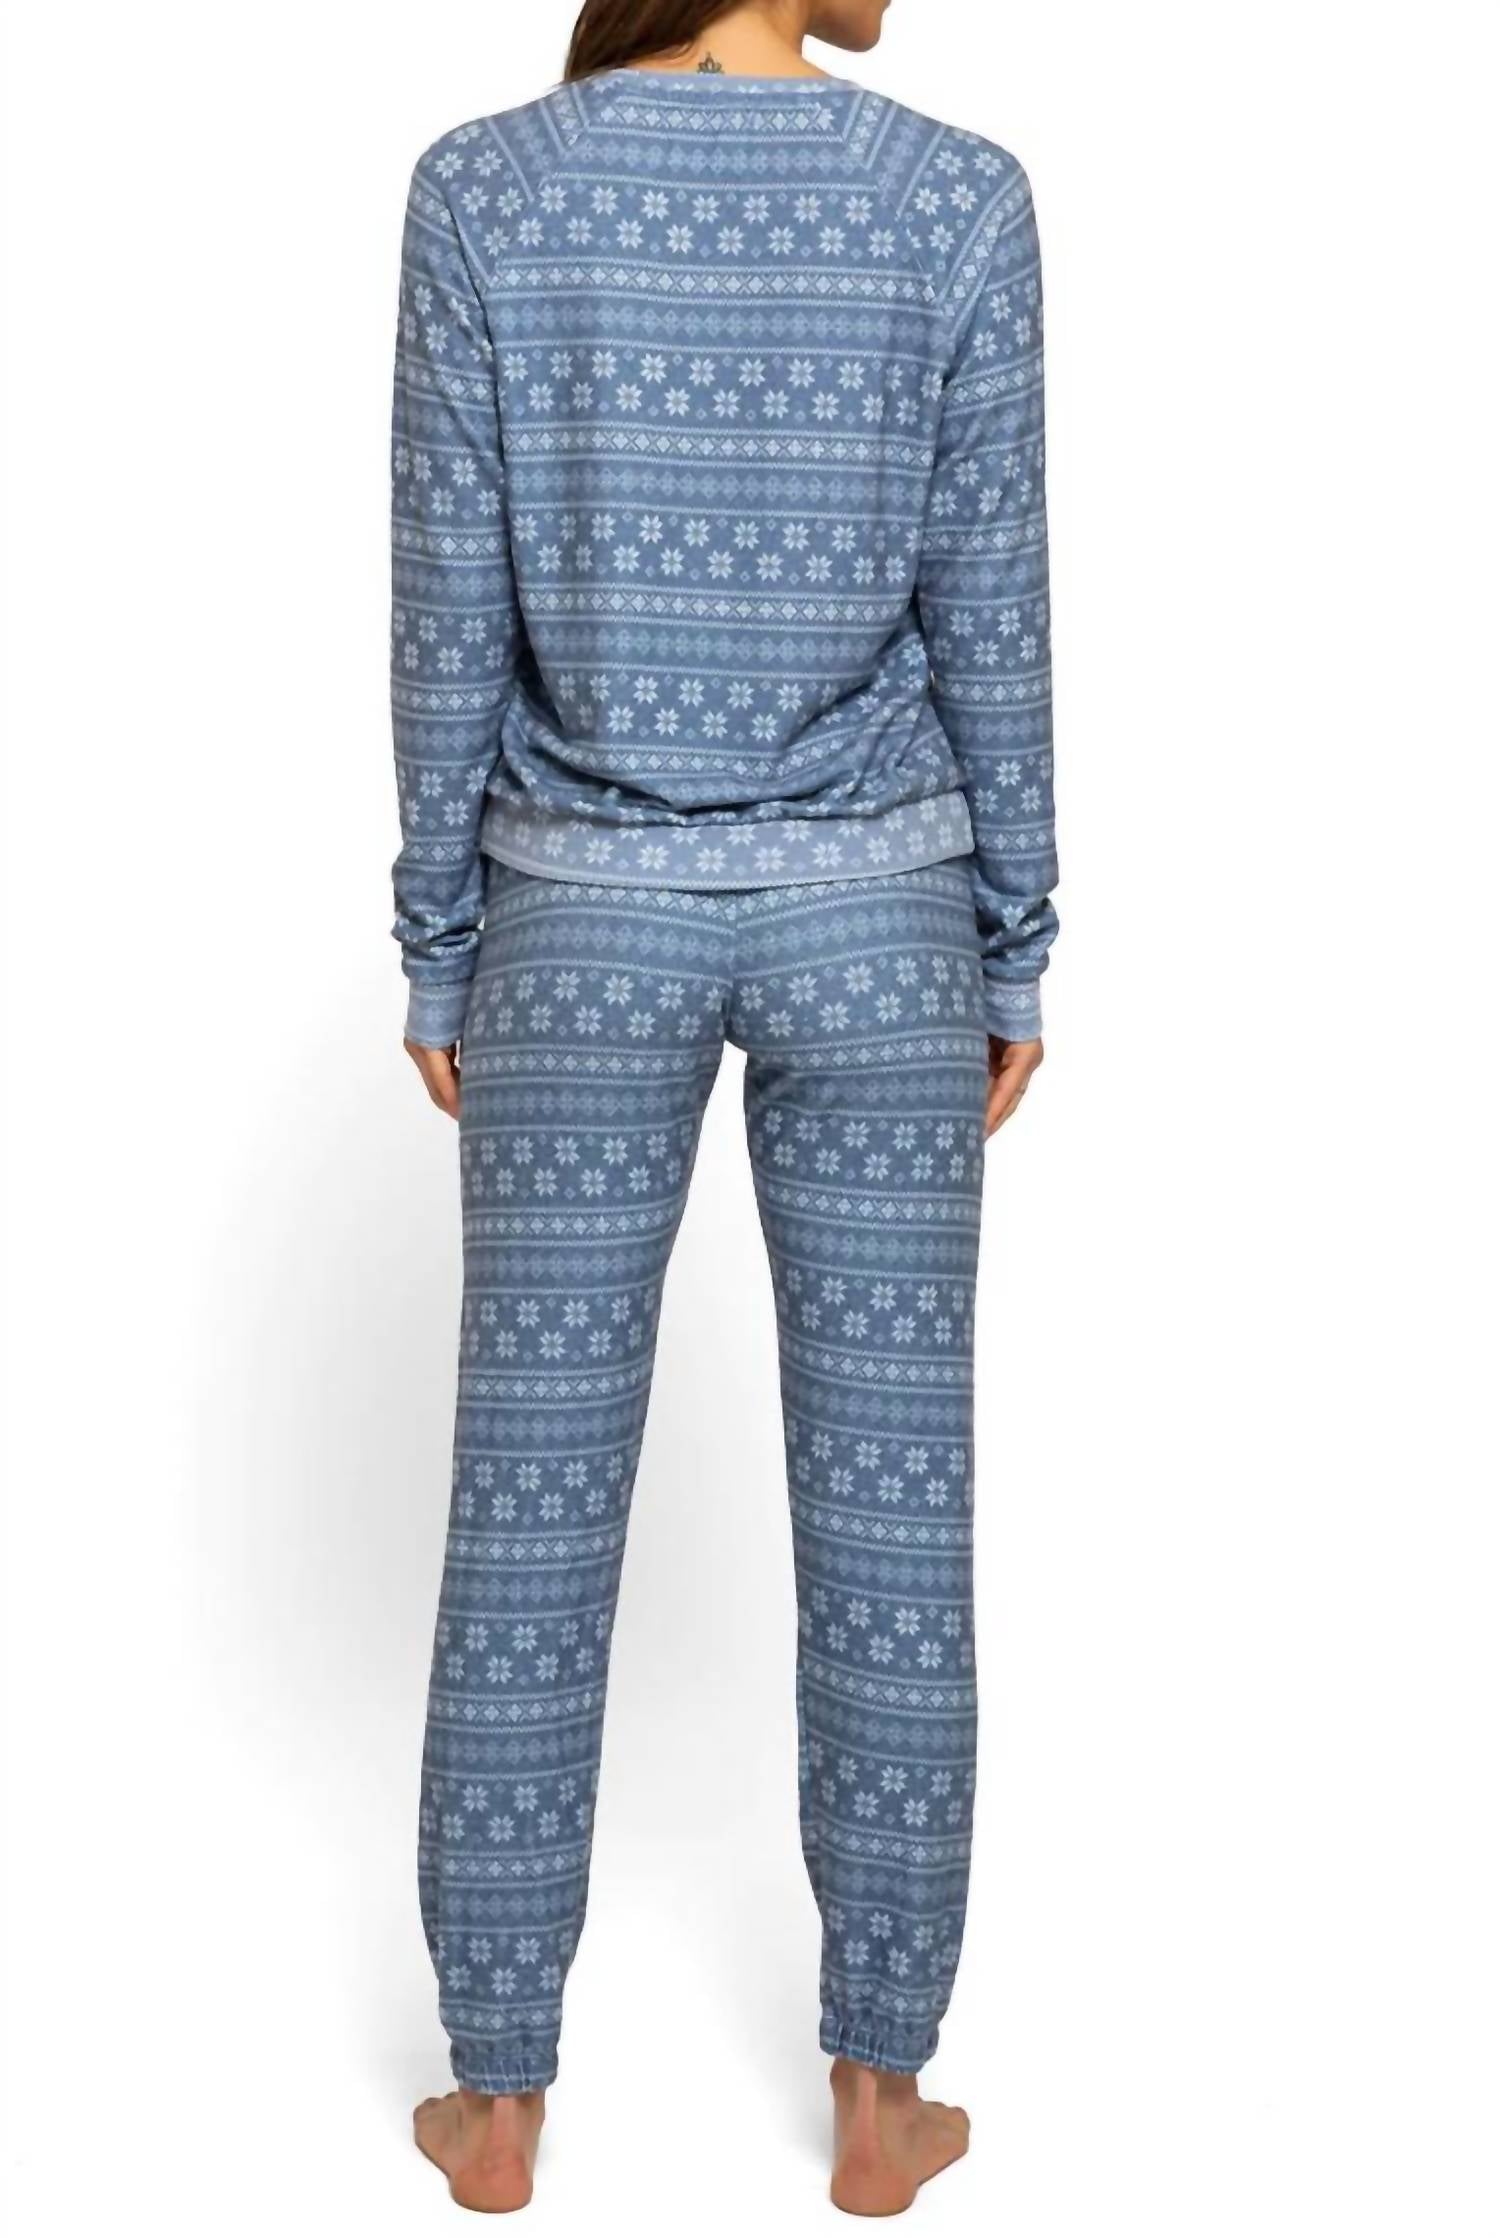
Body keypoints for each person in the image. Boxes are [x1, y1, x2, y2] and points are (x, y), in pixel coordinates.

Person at [389, 0, 1057, 2211]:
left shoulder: (486, 196)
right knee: (895, 1510)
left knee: (527, 1505)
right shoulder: (957, 202)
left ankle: (497, 2101)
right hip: (886, 921)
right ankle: (883, 2092)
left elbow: (448, 607)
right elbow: (993, 599)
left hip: (576, 921)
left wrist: (439, 934)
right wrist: (1017, 934)